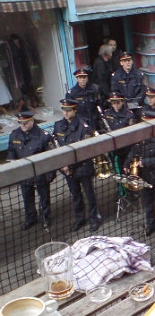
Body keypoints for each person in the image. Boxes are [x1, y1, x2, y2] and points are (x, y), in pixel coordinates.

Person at [53, 99, 101, 233]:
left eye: (69, 110)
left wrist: (70, 166)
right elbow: (57, 147)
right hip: (67, 169)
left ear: (75, 110)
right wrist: (62, 166)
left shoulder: (84, 127)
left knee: (89, 194)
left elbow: (85, 151)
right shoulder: (58, 126)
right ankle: (80, 219)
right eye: (64, 110)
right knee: (75, 196)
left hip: (83, 167)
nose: (66, 113)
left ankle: (94, 219)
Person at [124, 109, 155, 239]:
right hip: (144, 177)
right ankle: (151, 225)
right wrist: (126, 164)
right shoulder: (141, 137)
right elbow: (133, 152)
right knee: (147, 203)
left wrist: (145, 162)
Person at [7, 111, 55, 230]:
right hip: (24, 174)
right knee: (27, 197)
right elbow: (12, 154)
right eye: (20, 123)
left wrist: (50, 174)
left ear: (32, 121)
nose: (23, 125)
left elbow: (52, 157)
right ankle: (31, 218)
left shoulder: (43, 135)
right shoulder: (14, 135)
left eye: (25, 123)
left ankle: (45, 217)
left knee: (44, 197)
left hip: (40, 173)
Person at [101, 91, 135, 167]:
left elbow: (132, 133)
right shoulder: (106, 114)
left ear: (122, 102)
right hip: (113, 147)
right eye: (113, 103)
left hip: (126, 147)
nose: (115, 105)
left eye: (118, 102)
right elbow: (104, 130)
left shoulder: (129, 114)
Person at [91, 44, 113, 108]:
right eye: (111, 52)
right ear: (107, 53)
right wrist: (108, 94)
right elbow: (101, 80)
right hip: (101, 92)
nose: (112, 54)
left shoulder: (106, 62)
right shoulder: (100, 63)